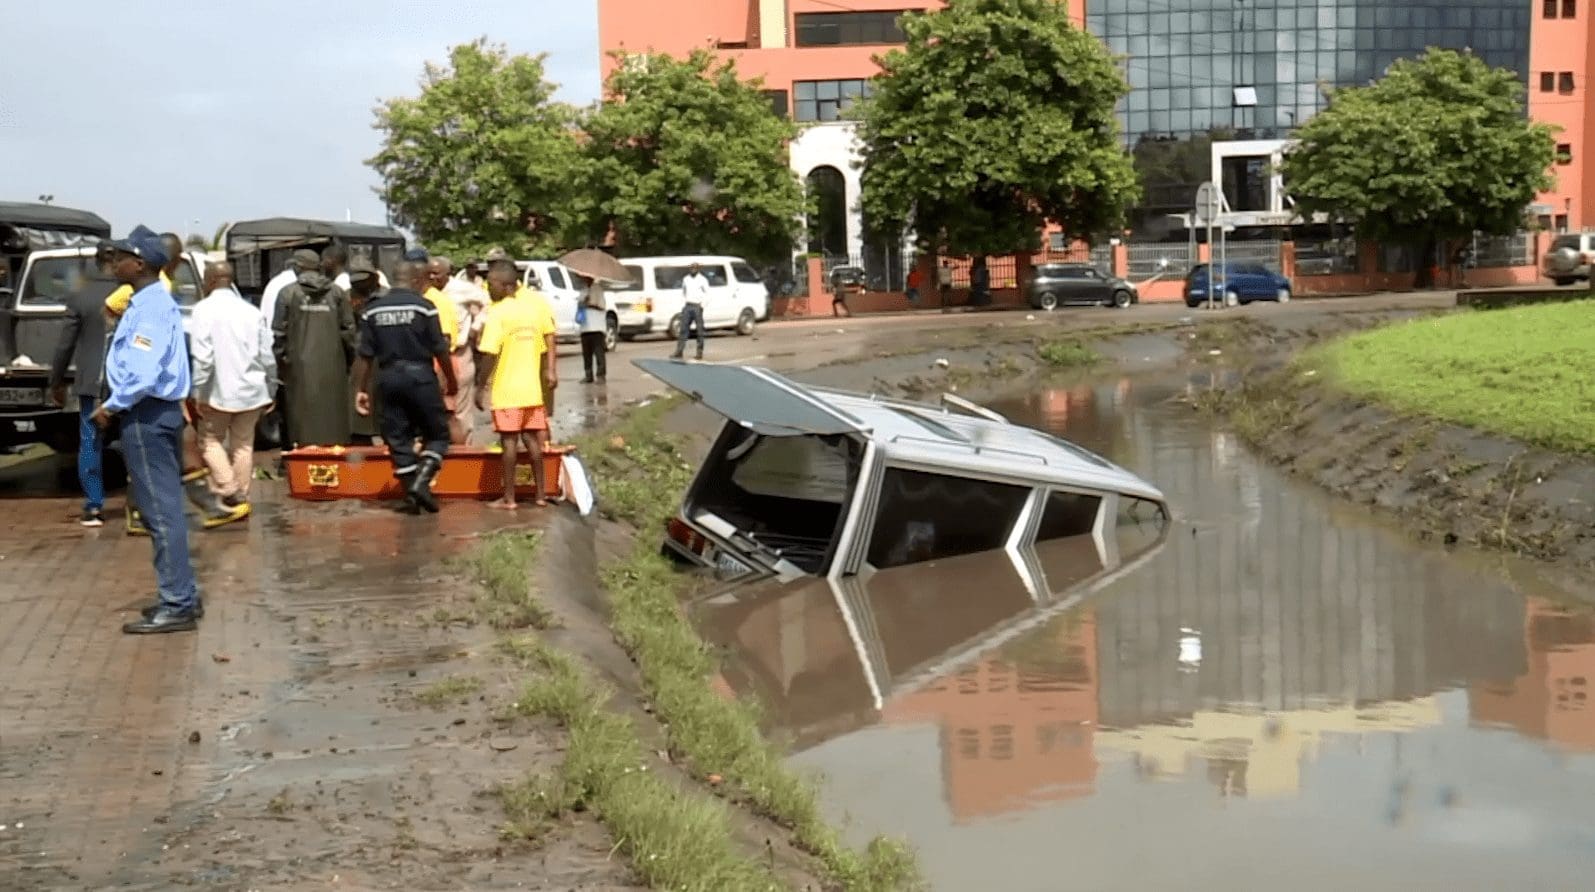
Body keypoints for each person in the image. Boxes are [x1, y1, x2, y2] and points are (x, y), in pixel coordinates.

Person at [92, 226, 201, 634]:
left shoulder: (151, 306)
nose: (113, 263)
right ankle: (183, 594)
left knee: (160, 511)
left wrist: (111, 406)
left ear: (139, 263)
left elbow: (143, 370)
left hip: (145, 414)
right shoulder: (148, 301)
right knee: (164, 508)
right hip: (154, 412)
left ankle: (177, 604)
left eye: (120, 256)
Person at [352, 259, 457, 513]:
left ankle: (413, 495)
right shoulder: (425, 307)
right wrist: (451, 380)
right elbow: (439, 348)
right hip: (420, 377)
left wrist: (361, 389)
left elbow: (364, 355)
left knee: (397, 438)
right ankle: (421, 483)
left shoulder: (371, 310)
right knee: (438, 435)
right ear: (415, 280)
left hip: (387, 379)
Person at [190, 261, 276, 510]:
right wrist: (271, 388)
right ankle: (242, 499)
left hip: (217, 391)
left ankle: (229, 488)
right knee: (243, 445)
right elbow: (266, 356)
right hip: (252, 390)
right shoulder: (251, 311)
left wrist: (198, 391)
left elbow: (203, 357)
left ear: (210, 280)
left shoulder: (203, 310)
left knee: (209, 441)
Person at [49, 246, 120, 527]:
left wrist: (55, 381)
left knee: (90, 441)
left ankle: (93, 506)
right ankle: (139, 503)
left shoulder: (80, 294)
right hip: (126, 382)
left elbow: (65, 343)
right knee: (131, 440)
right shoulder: (130, 293)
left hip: (91, 381)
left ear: (95, 261)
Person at [475, 261, 554, 510]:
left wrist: (480, 385)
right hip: (531, 389)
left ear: (507, 285)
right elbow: (543, 346)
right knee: (532, 441)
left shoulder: (498, 312)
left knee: (508, 443)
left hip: (507, 390)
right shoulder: (531, 310)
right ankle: (540, 495)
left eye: (492, 284)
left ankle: (509, 498)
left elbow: (489, 353)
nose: (488, 288)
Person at [273, 248, 355, 448]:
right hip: (333, 369)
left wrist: (281, 364)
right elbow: (349, 332)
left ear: (297, 267)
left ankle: (305, 466)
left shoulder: (287, 294)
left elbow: (278, 334)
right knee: (334, 425)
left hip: (298, 371)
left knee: (301, 428)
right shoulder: (337, 293)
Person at [575, 274, 608, 383]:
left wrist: (590, 304)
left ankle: (601, 375)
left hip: (597, 326)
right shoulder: (583, 290)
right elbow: (579, 305)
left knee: (599, 353)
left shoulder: (598, 289)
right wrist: (582, 303)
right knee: (586, 354)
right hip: (585, 327)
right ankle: (588, 375)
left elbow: (602, 306)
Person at [672, 262, 708, 361]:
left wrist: (702, 305)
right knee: (683, 329)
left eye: (695, 268)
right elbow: (683, 292)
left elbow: (707, 294)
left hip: (697, 306)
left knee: (699, 330)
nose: (693, 270)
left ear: (698, 269)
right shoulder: (686, 279)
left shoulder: (702, 280)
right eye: (691, 268)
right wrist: (684, 303)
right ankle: (679, 351)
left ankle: (699, 352)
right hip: (688, 305)